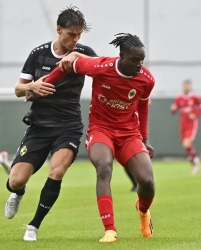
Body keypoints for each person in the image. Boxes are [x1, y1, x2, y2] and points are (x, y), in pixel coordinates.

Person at [47, 33, 155, 243]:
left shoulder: (146, 79)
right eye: (135, 60)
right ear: (121, 56)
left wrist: (144, 138)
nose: (139, 65)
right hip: (101, 129)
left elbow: (142, 105)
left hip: (129, 133)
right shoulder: (101, 67)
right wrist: (44, 86)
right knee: (104, 167)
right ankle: (110, 230)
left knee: (147, 181)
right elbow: (68, 65)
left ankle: (143, 211)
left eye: (142, 60)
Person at [4, 6, 98, 241]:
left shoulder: (83, 52)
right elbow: (18, 89)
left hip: (68, 126)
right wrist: (32, 86)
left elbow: (102, 68)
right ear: (58, 29)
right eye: (71, 35)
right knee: (15, 181)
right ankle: (18, 193)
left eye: (79, 35)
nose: (75, 40)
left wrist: (79, 57)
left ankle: (33, 226)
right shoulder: (38, 54)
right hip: (39, 126)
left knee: (57, 171)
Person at [170, 80, 201, 175]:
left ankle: (196, 161)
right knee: (186, 146)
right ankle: (193, 162)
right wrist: (173, 109)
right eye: (184, 86)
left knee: (187, 143)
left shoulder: (194, 97)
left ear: (189, 87)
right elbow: (174, 110)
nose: (185, 87)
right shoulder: (179, 98)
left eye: (187, 86)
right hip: (182, 124)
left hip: (192, 123)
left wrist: (195, 114)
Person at [125, 98, 152, 192]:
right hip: (125, 129)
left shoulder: (138, 89)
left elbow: (147, 102)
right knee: (126, 162)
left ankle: (141, 183)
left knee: (137, 159)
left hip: (136, 130)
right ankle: (136, 184)